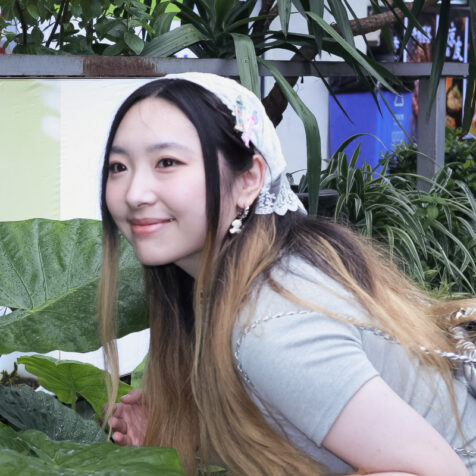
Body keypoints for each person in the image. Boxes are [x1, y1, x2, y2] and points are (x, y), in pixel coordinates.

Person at [99, 72, 476, 475]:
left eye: (167, 163)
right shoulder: (269, 269)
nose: (135, 193)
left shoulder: (273, 325)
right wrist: (191, 428)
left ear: (249, 180)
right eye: (119, 166)